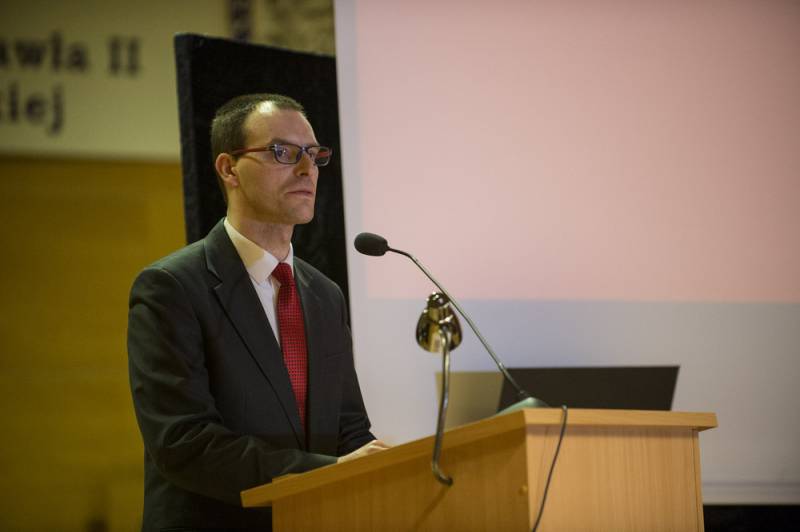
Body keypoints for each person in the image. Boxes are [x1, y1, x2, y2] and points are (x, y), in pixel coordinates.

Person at [127, 93, 387, 531]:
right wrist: (325, 473)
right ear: (229, 169)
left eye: (314, 155)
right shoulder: (171, 288)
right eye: (283, 152)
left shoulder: (325, 295)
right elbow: (184, 442)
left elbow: (347, 427)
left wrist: (384, 467)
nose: (307, 170)